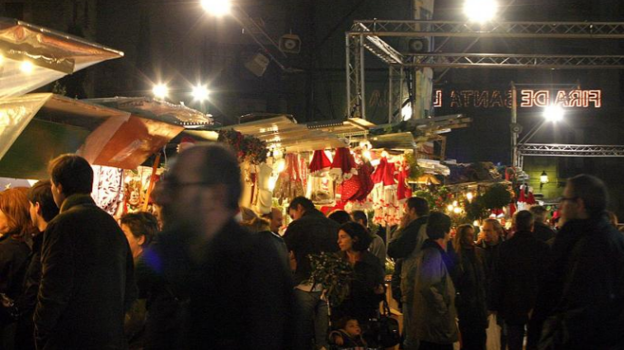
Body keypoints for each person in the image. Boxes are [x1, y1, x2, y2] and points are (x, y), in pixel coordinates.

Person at [152, 144, 293, 349]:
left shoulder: (253, 263)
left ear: (216, 195)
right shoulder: (175, 252)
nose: (162, 196)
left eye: (176, 185)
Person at [34, 154, 137, 350]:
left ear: (59, 187)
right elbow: (130, 288)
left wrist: (41, 333)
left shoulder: (63, 224)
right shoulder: (111, 225)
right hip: (108, 338)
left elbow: (53, 289)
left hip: (70, 338)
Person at [528, 175, 624, 350]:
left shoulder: (590, 244)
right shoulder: (606, 237)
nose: (561, 206)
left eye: (565, 199)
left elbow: (583, 311)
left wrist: (550, 343)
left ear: (579, 204)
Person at [283, 196, 339, 350]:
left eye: (292, 214)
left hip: (305, 283)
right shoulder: (334, 225)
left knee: (301, 332)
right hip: (329, 287)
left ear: (299, 208)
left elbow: (282, 250)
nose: (293, 218)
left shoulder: (299, 225)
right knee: (322, 338)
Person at [10, 181, 59, 350]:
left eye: (30, 205)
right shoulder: (53, 241)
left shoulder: (46, 245)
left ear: (37, 207)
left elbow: (36, 291)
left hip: (33, 333)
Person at [491, 211, 549, 350]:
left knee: (514, 340)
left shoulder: (505, 248)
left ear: (515, 226)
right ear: (532, 226)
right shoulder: (542, 248)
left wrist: (494, 303)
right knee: (535, 340)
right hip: (535, 302)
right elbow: (547, 278)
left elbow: (498, 277)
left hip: (512, 301)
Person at [411, 212, 458, 350]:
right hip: (435, 322)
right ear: (445, 230)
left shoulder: (434, 252)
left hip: (434, 322)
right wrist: (443, 307)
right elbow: (428, 286)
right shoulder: (433, 253)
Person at [387, 197, 429, 350]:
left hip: (413, 282)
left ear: (412, 210)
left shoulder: (414, 228)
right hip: (430, 282)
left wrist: (401, 228)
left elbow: (393, 250)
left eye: (406, 209)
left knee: (412, 330)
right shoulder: (432, 226)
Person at [0, 189, 37, 349]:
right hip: (26, 327)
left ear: (11, 214)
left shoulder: (6, 249)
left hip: (7, 327)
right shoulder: (32, 245)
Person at [333, 222, 385, 325]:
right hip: (341, 315)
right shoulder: (336, 260)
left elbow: (378, 289)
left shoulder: (371, 261)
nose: (339, 241)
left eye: (343, 237)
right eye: (338, 237)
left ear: (355, 238)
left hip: (364, 313)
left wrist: (379, 291)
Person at [452, 224, 488, 350]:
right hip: (466, 304)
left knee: (481, 338)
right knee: (468, 338)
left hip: (479, 303)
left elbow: (484, 277)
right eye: (468, 234)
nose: (471, 237)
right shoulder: (457, 256)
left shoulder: (479, 254)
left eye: (472, 234)